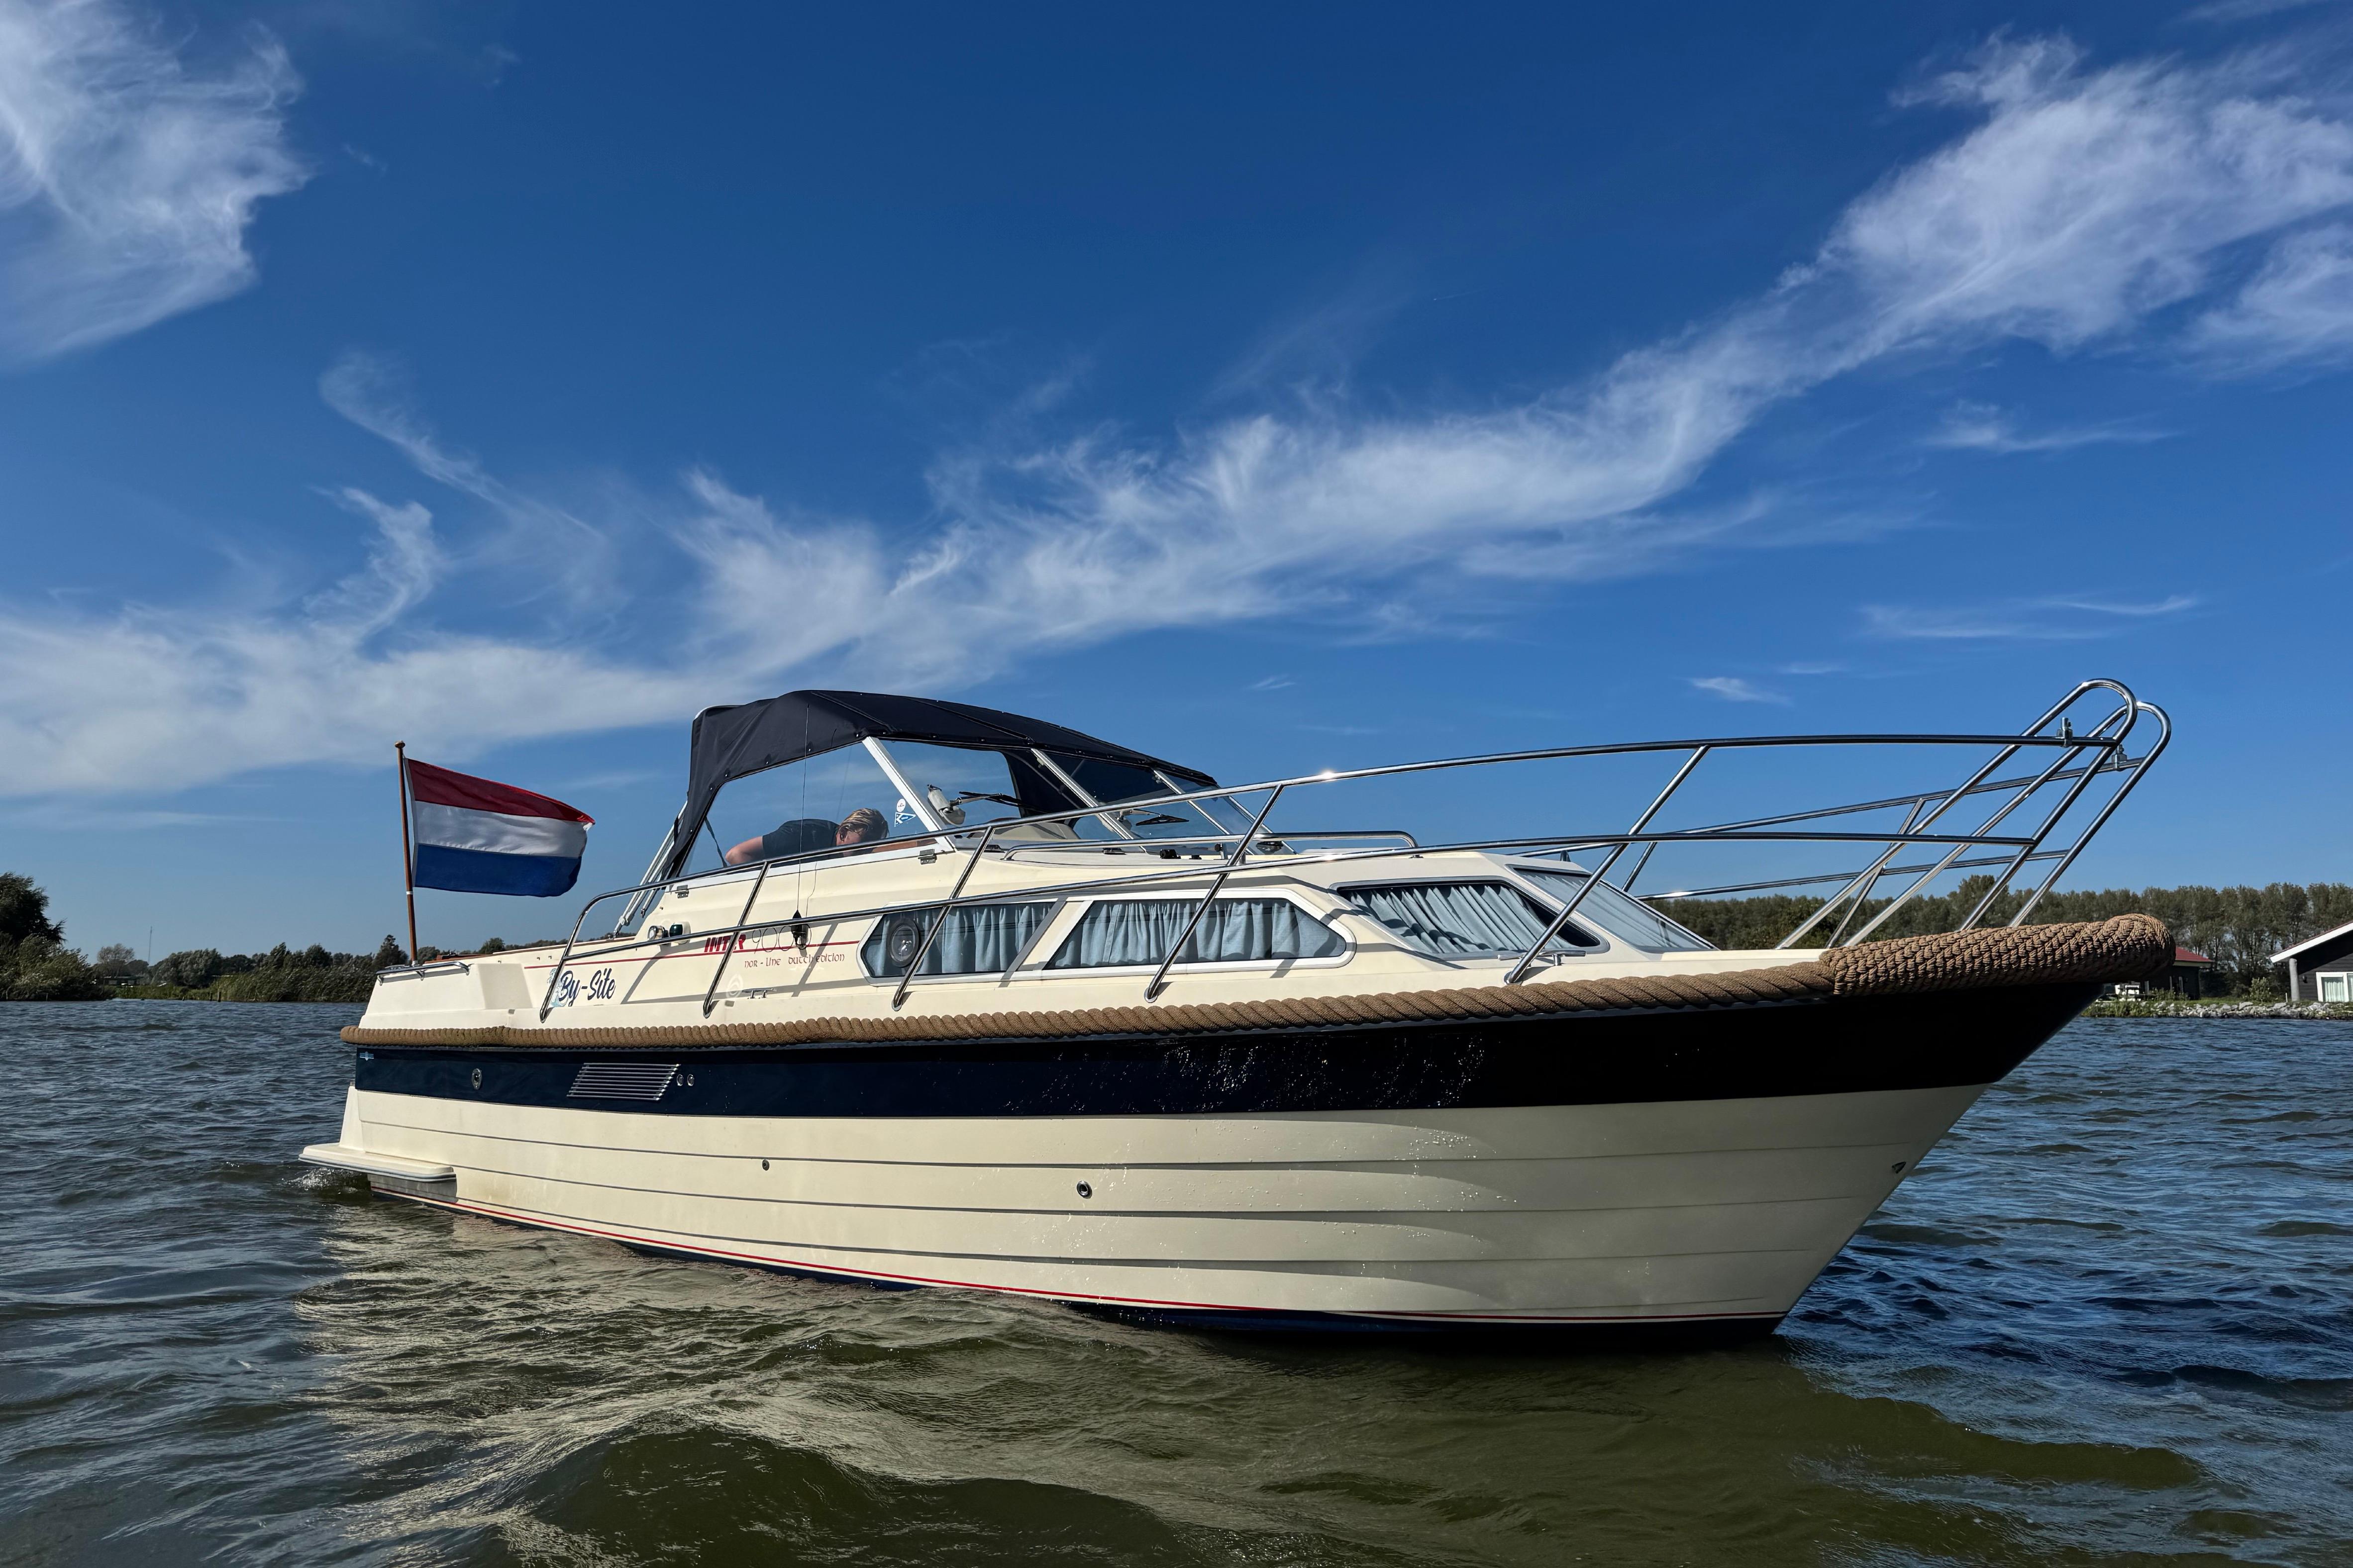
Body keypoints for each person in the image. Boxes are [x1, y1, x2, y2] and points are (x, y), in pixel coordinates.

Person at [723, 807, 889, 866]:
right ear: (844, 833)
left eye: (871, 846)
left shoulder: (847, 861)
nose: (866, 851)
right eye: (863, 843)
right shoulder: (803, 836)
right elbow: (736, 854)